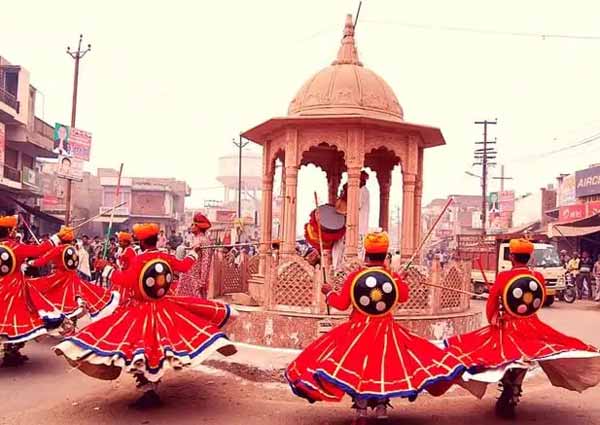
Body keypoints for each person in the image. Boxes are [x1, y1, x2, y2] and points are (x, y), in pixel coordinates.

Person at [285, 231, 465, 424]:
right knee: (382, 369)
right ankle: (381, 410)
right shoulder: (391, 277)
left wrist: (329, 293)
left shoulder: (356, 276)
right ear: (386, 255)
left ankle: (361, 412)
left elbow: (341, 303)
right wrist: (398, 279)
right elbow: (403, 296)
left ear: (365, 254)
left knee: (360, 370)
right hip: (387, 332)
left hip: (358, 331)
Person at [54, 223, 237, 408]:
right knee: (157, 348)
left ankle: (150, 391)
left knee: (139, 349)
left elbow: (125, 280)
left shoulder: (139, 260)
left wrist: (106, 269)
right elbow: (183, 266)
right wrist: (194, 252)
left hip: (141, 310)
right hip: (163, 308)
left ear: (141, 241)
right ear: (156, 239)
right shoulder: (165, 256)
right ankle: (151, 387)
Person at [444, 238, 600, 419]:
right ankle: (515, 389)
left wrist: (494, 319)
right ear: (529, 257)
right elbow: (535, 304)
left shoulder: (503, 277)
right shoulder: (537, 277)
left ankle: (509, 388)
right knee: (525, 357)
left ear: (511, 257)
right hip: (532, 326)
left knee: (505, 358)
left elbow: (492, 305)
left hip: (508, 325)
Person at [0, 217, 71, 366]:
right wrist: (57, 236)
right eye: (14, 229)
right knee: (19, 321)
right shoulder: (15, 247)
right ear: (9, 231)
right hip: (14, 290)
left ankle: (11, 350)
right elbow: (39, 250)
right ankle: (11, 351)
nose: (15, 231)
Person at [26, 235, 119, 326]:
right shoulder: (73, 248)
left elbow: (42, 260)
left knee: (43, 293)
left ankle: (59, 321)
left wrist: (29, 262)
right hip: (73, 277)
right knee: (73, 298)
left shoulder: (59, 249)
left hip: (59, 278)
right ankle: (70, 321)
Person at [177, 213, 214, 298]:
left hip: (195, 278)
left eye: (193, 224)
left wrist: (202, 281)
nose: (191, 226)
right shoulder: (194, 239)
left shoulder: (205, 241)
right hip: (187, 276)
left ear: (199, 227)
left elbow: (206, 262)